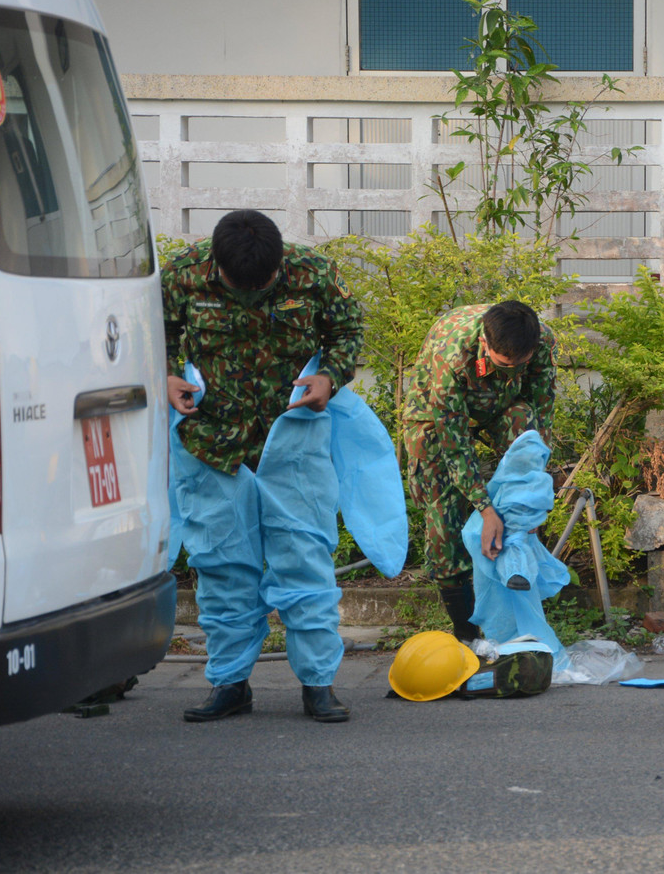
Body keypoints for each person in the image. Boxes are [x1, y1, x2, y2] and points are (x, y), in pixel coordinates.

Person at [163, 209, 364, 723]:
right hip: (212, 440)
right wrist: (163, 374)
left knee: (306, 557)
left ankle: (318, 684)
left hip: (293, 435)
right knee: (220, 563)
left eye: (265, 285)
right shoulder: (182, 274)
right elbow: (154, 334)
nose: (251, 293)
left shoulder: (315, 274)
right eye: (237, 287)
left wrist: (331, 377)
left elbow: (347, 332)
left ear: (280, 263)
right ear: (217, 266)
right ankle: (230, 683)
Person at [402, 301, 555, 641]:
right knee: (443, 520)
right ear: (485, 344)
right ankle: (468, 636)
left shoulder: (541, 340)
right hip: (436, 415)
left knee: (525, 430)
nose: (513, 369)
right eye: (504, 364)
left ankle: (517, 566)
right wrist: (485, 510)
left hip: (502, 406)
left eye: (521, 364)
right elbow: (454, 444)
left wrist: (530, 497)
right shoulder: (452, 355)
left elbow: (541, 417)